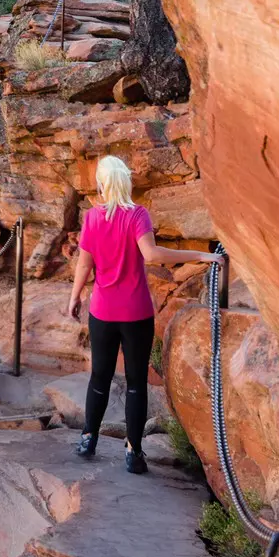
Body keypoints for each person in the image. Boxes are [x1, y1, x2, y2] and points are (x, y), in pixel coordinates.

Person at [66, 155, 202, 474]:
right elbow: (151, 254)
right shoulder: (137, 215)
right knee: (136, 382)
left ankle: (88, 437)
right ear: (125, 182)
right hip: (135, 312)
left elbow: (84, 264)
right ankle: (133, 451)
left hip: (102, 311)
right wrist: (200, 254)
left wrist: (74, 297)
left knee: (99, 376)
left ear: (102, 183)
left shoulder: (93, 218)